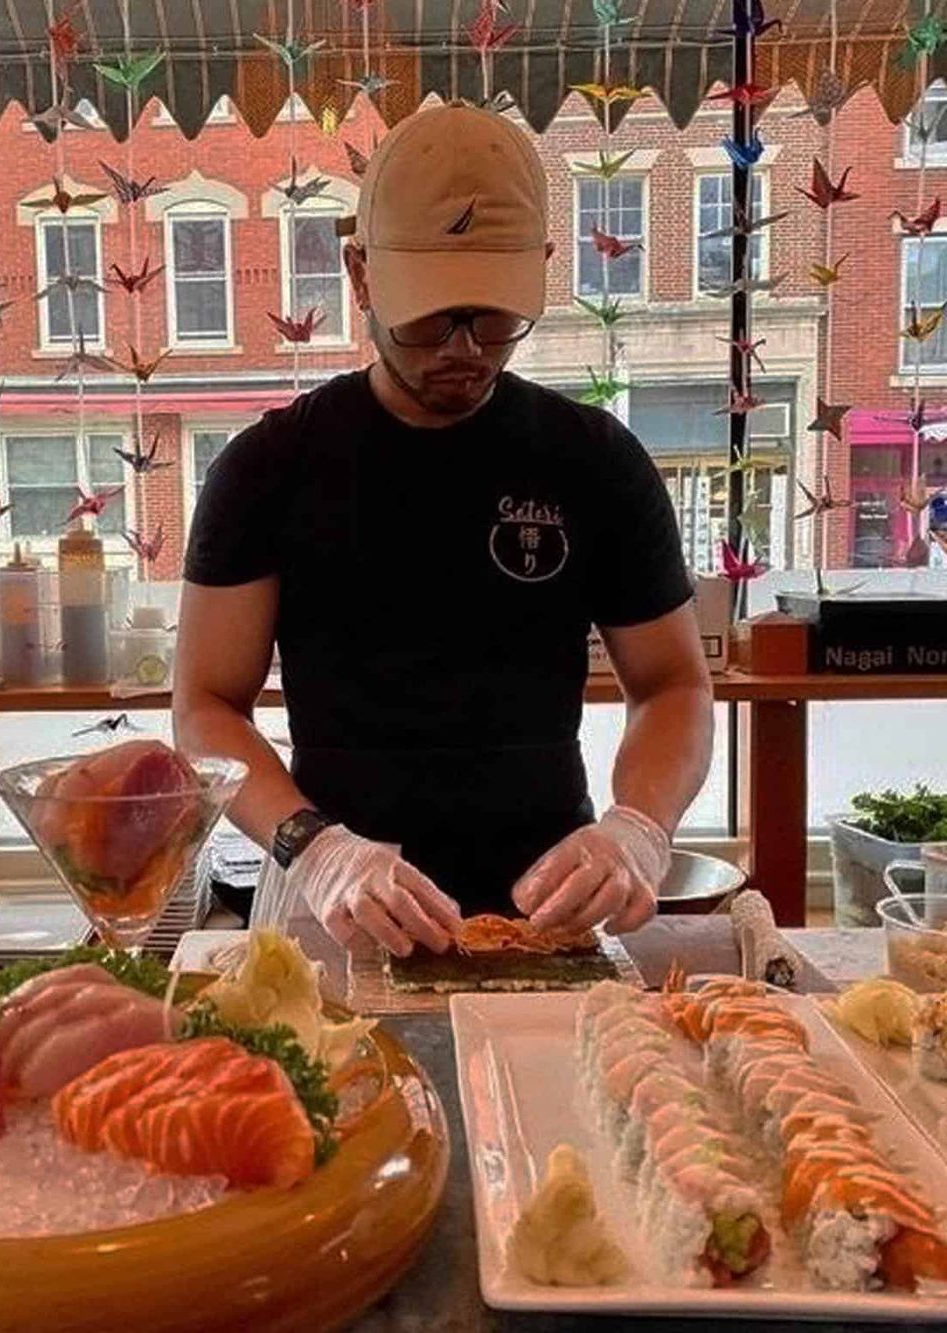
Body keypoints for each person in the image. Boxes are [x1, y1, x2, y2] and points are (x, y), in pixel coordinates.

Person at [173, 102, 713, 959]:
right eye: (429, 317)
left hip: (549, 903)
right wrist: (314, 847)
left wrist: (638, 828)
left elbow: (675, 685)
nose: (463, 348)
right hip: (337, 900)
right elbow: (205, 706)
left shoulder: (594, 462)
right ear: (359, 277)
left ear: (539, 269)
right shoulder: (267, 468)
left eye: (494, 316)